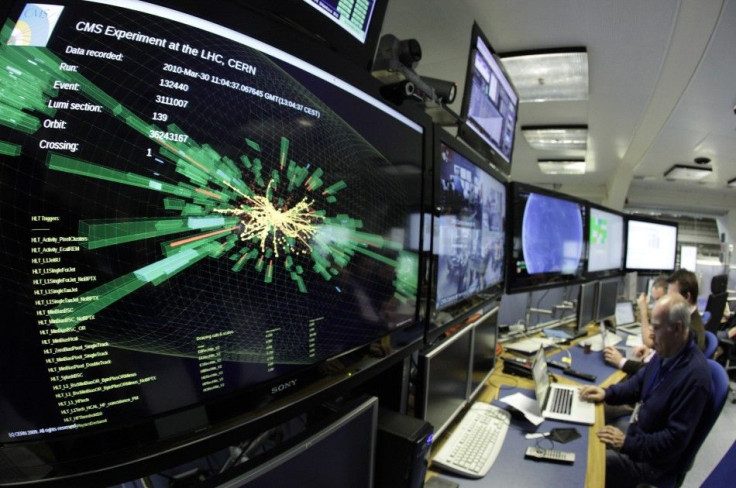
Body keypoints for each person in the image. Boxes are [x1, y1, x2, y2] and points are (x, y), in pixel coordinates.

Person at [579, 293, 711, 488]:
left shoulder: (695, 378)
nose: (650, 334)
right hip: (639, 434)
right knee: (590, 437)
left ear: (677, 328)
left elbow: (673, 442)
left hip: (652, 463)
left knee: (590, 464)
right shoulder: (668, 352)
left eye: (656, 328)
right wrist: (607, 393)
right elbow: (639, 383)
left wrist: (626, 444)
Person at [667, 268, 706, 351]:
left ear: (687, 297)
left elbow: (672, 361)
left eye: (672, 296)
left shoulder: (689, 332)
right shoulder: (689, 319)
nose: (668, 301)